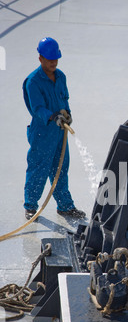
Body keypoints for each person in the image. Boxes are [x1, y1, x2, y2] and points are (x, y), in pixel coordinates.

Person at [23, 37, 85, 220]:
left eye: (55, 59)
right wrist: (53, 116)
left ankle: (65, 206)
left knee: (60, 168)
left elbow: (64, 100)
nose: (53, 63)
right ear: (40, 58)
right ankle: (30, 206)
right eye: (49, 59)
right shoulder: (33, 81)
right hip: (42, 132)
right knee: (38, 169)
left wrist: (67, 114)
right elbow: (37, 108)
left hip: (59, 132)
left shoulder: (61, 77)